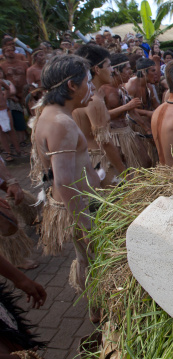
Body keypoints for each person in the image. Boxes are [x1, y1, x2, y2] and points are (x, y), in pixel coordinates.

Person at [30, 55, 101, 315]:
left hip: (81, 204)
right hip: (82, 207)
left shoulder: (48, 115)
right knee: (93, 259)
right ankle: (100, 310)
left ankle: (97, 308)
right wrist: (85, 224)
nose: (91, 88)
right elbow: (64, 181)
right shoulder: (61, 123)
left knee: (88, 259)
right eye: (88, 82)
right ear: (72, 85)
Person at [73, 44, 126, 186]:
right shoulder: (94, 100)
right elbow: (105, 142)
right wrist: (124, 173)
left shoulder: (79, 98)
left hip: (85, 159)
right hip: (99, 162)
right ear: (97, 69)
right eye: (109, 66)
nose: (112, 70)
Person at [102, 53, 151, 169]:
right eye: (127, 68)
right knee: (129, 168)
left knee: (146, 162)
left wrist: (147, 129)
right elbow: (101, 116)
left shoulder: (121, 88)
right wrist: (126, 107)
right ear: (116, 71)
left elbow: (132, 112)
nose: (131, 71)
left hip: (127, 132)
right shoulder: (104, 90)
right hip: (115, 136)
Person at [125, 57, 161, 163]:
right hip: (136, 123)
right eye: (153, 71)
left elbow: (156, 105)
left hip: (149, 121)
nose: (156, 73)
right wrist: (147, 113)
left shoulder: (149, 86)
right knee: (145, 158)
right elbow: (129, 109)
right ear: (144, 72)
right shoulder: (131, 86)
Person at [0, 43, 28, 146]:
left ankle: (27, 136)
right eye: (8, 51)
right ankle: (19, 141)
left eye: (12, 50)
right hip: (11, 97)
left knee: (27, 114)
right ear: (4, 53)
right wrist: (11, 95)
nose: (10, 52)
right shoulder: (2, 66)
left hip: (24, 92)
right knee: (16, 116)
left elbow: (27, 76)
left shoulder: (22, 63)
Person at [0, 74, 21, 160]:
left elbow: (7, 88)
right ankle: (8, 153)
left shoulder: (0, 82)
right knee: (1, 133)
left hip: (4, 108)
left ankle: (18, 150)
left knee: (11, 130)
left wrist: (5, 97)